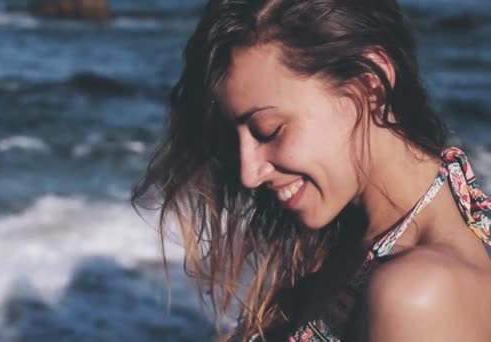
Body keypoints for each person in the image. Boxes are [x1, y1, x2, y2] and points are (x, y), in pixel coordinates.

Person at [131, 0, 491, 341]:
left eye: (269, 129)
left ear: (369, 86)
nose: (249, 173)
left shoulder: (419, 294)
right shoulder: (356, 236)